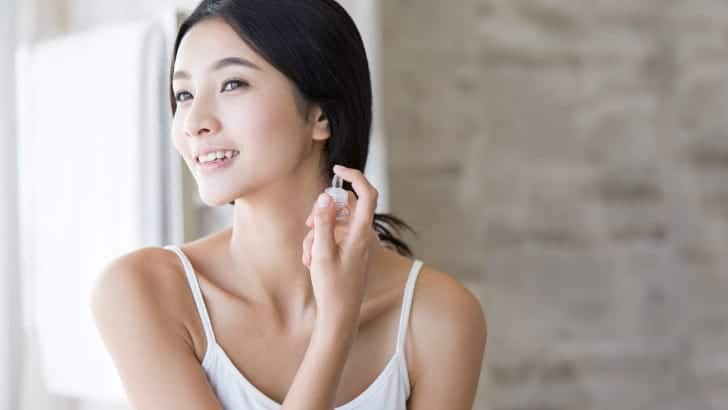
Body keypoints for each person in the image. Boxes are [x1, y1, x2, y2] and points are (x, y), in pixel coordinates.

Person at [91, 1, 486, 409]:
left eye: (232, 84)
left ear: (321, 115)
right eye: (184, 94)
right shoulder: (144, 292)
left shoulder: (438, 317)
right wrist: (335, 327)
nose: (194, 122)